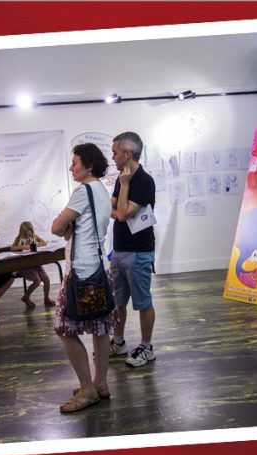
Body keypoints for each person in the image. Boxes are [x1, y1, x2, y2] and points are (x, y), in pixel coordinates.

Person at [51, 143, 118, 413]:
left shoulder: (82, 191)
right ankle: (100, 383)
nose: (71, 168)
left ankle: (87, 390)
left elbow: (57, 227)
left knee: (64, 329)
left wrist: (64, 224)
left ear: (88, 166)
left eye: (75, 162)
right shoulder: (101, 190)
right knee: (100, 328)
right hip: (100, 267)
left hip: (80, 270)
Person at [110, 131, 157, 368]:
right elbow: (112, 210)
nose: (113, 157)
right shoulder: (121, 178)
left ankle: (146, 347)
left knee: (142, 301)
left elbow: (123, 213)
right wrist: (120, 207)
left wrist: (125, 186)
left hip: (139, 252)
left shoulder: (144, 181)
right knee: (118, 301)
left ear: (127, 153)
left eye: (115, 152)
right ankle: (118, 342)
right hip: (119, 250)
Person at [10, 221, 56, 309]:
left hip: (35, 263)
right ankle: (26, 297)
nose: (28, 236)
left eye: (29, 234)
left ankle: (46, 298)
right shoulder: (19, 239)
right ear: (21, 233)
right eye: (25, 234)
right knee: (37, 281)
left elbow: (44, 243)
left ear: (32, 231)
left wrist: (34, 244)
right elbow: (12, 248)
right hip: (25, 265)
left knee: (46, 280)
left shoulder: (34, 237)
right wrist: (22, 247)